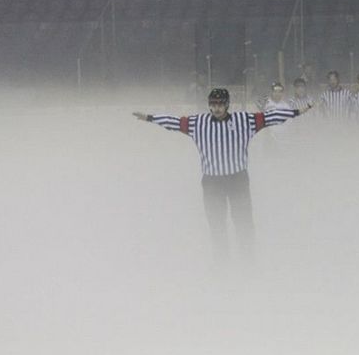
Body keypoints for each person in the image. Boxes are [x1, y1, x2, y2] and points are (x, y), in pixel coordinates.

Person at [132, 88, 312, 264]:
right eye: (213, 104)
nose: (216, 108)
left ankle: (248, 263)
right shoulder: (198, 123)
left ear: (227, 105)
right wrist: (149, 118)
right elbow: (174, 122)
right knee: (217, 225)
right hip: (212, 183)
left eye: (220, 104)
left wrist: (296, 112)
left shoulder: (244, 120)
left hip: (238, 180)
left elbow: (270, 118)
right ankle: (221, 266)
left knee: (244, 223)